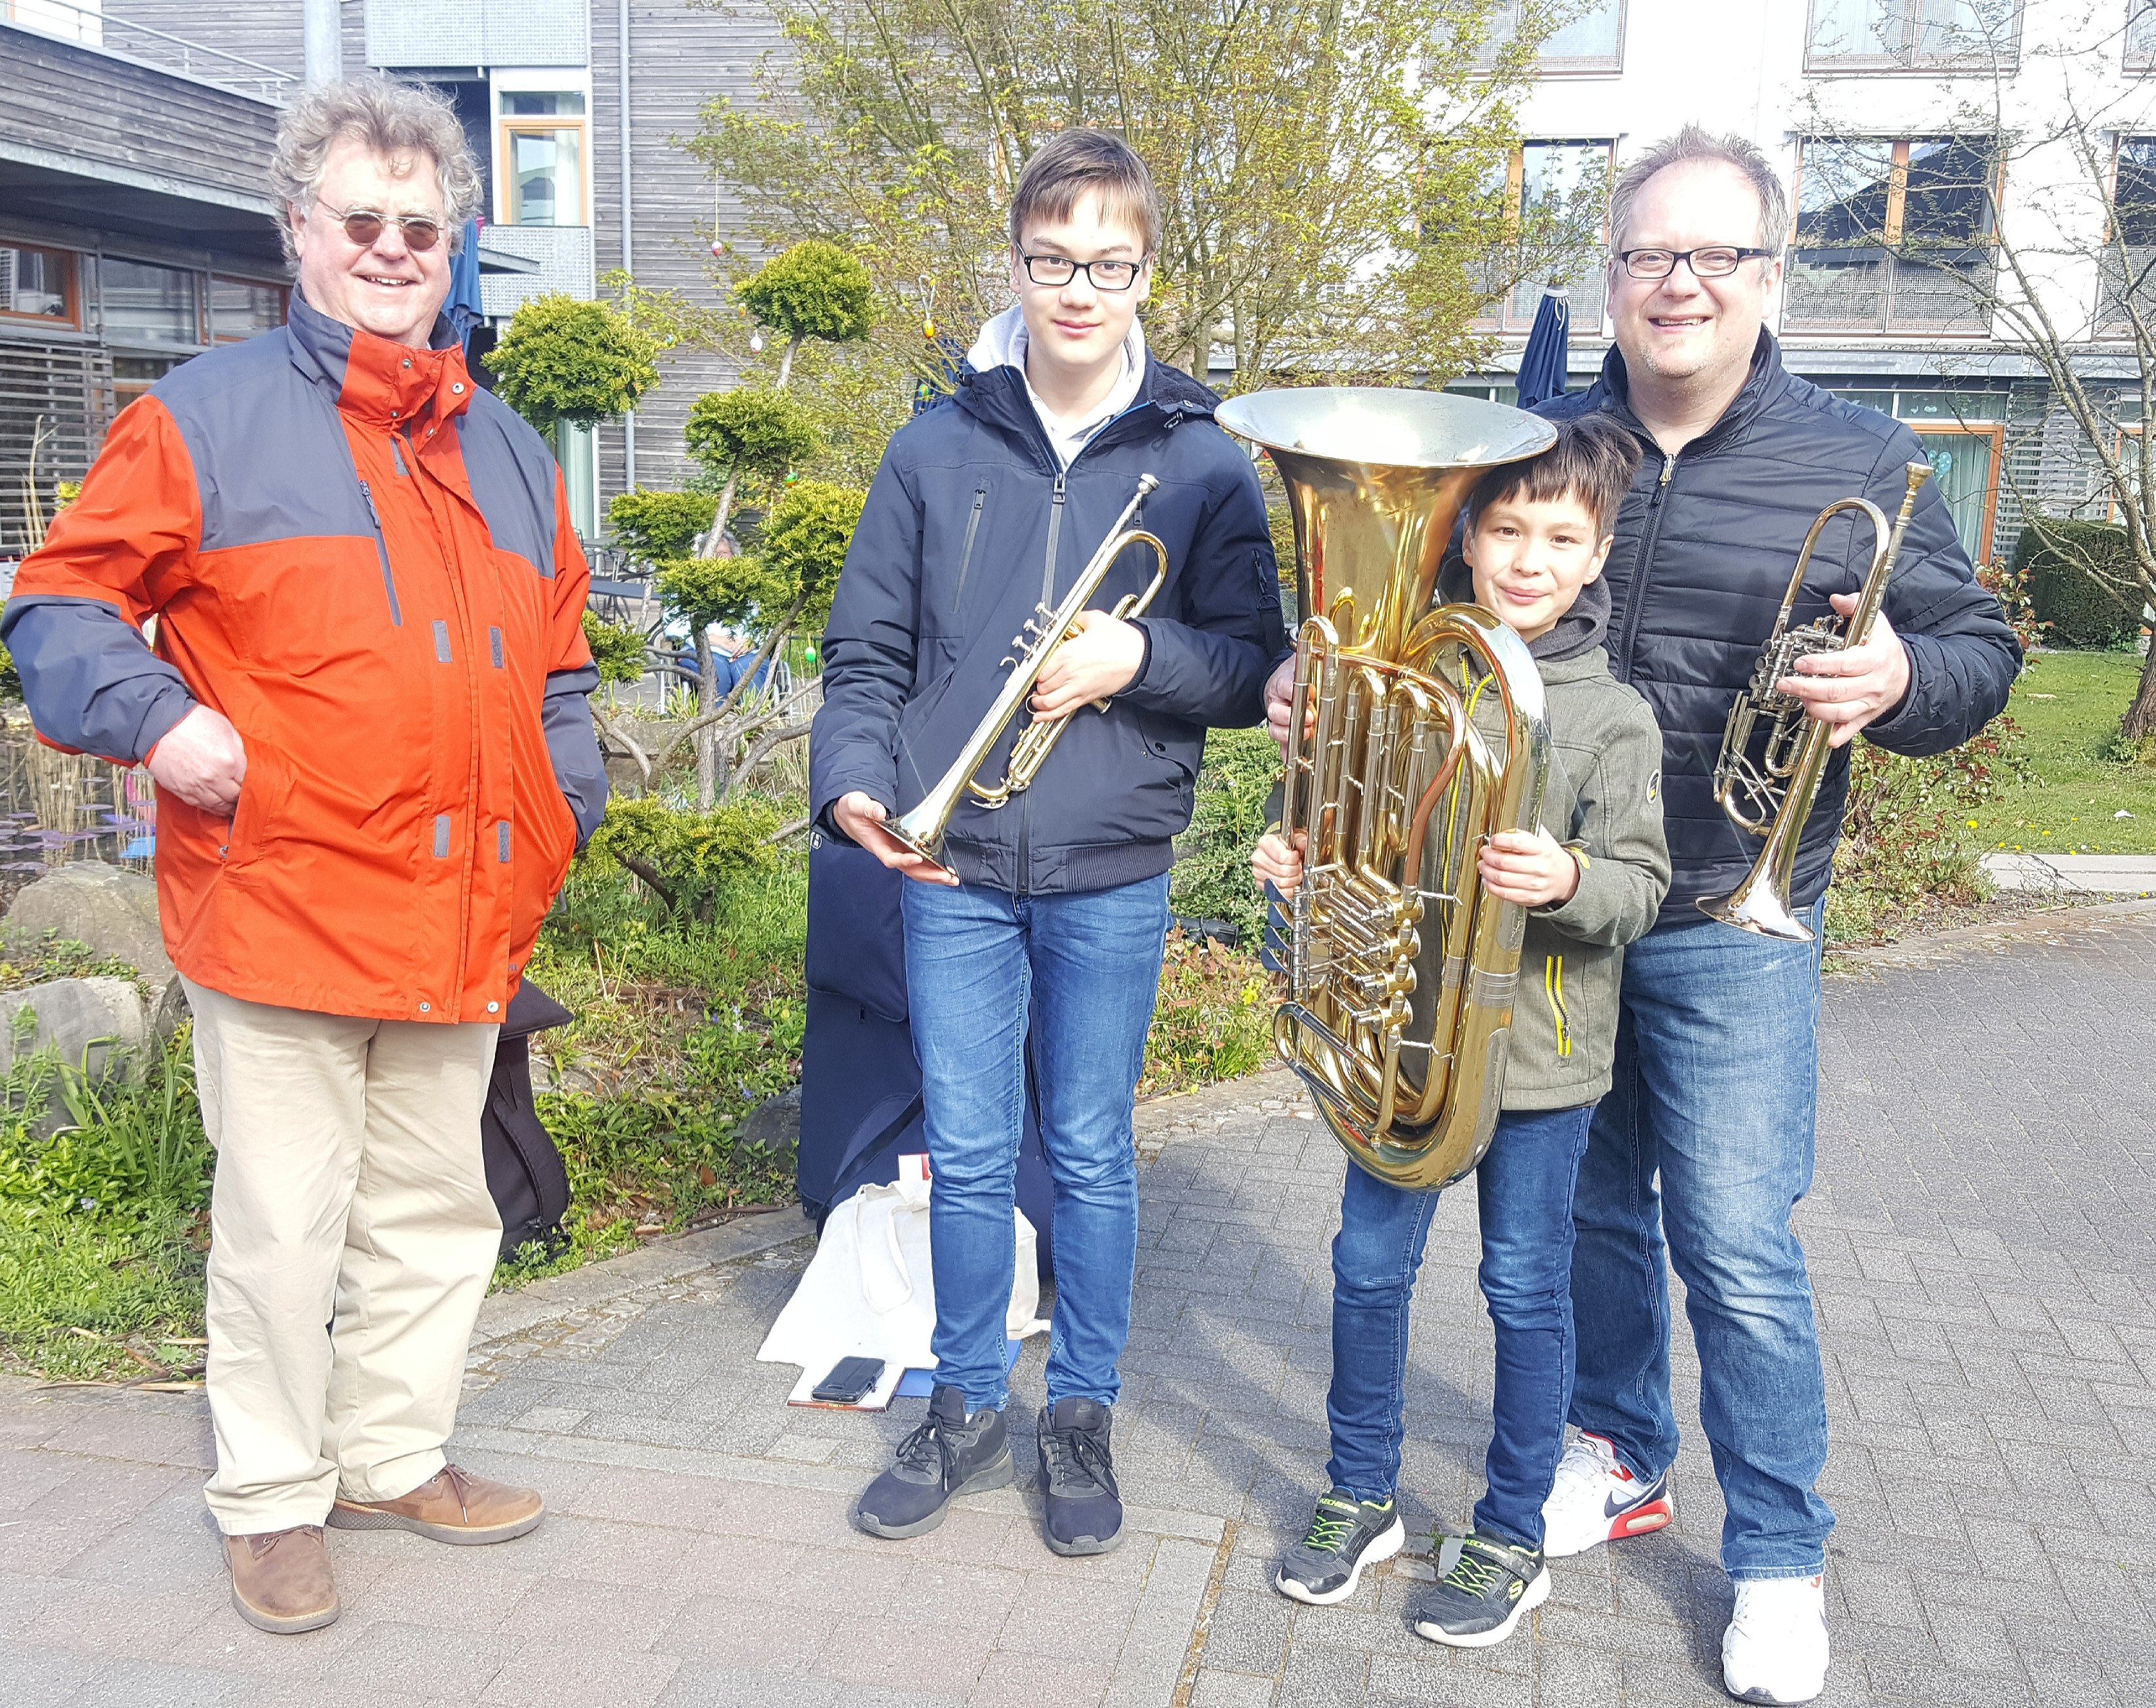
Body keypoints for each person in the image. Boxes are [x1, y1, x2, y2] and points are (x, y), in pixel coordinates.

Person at [1265, 126, 2021, 1704]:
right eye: (1647, 256)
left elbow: (1979, 650)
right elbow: (1428, 635)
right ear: (1610, 273)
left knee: (1738, 1244)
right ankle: (1616, 1452)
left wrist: (1902, 677)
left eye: (1715, 257)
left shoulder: (1863, 459)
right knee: (1595, 1224)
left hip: (1731, 915)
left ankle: (1780, 1559)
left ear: (1771, 274)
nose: (1677, 286)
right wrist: (1324, 697)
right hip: (1530, 934)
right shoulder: (1538, 441)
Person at [1, 78, 609, 1637]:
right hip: (278, 901)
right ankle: (272, 1498)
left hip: (464, 911)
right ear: (301, 234)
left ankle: (391, 1454)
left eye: (422, 226)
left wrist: (564, 808)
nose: (394, 247)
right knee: (282, 1226)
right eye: (364, 221)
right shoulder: (199, 418)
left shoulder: (518, 455)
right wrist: (155, 719)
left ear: (453, 244)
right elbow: (59, 608)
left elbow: (561, 674)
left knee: (435, 1208)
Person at [812, 128, 1283, 1555]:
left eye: (1111, 263)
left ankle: (1077, 1409)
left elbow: (1254, 668)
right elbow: (864, 654)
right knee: (965, 1149)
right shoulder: (934, 443)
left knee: (1086, 1150)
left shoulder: (1202, 464)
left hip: (1112, 866)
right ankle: (965, 1401)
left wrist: (1135, 655)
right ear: (1016, 260)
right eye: (1055, 259)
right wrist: (851, 782)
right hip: (949, 861)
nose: (1081, 289)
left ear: (1148, 273)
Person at [1255, 416, 1670, 1647]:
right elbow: (1352, 834)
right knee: (1366, 1268)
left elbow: (1641, 886)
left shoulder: (1612, 719)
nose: (1528, 560)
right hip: (1400, 1046)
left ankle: (1509, 1528)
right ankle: (1361, 1493)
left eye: (1560, 537)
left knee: (1524, 1287)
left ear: (1597, 555)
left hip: (1538, 1068)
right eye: (1504, 530)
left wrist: (1569, 877)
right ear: (1467, 538)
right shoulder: (1409, 676)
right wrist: (1299, 855)